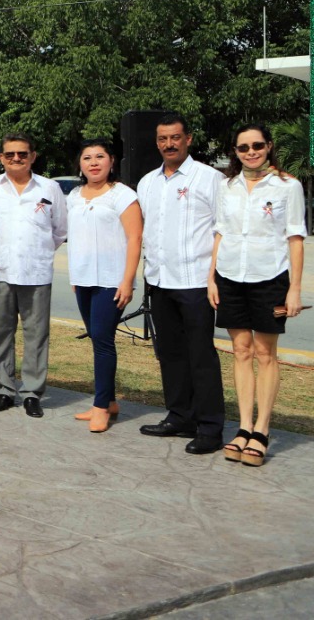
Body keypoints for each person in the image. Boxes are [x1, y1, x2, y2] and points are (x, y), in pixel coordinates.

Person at [209, 124, 306, 466]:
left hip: (271, 280)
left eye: (257, 145)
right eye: (243, 147)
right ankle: (244, 426)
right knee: (240, 350)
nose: (251, 152)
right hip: (230, 276)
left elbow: (295, 237)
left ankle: (262, 430)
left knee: (266, 353)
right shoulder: (228, 187)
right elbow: (220, 234)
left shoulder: (287, 186)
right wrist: (212, 279)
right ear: (235, 151)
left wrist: (294, 289)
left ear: (269, 146)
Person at [136, 113, 224, 454]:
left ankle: (210, 427)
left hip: (196, 282)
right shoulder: (147, 182)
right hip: (159, 280)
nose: (169, 144)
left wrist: (215, 277)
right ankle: (180, 416)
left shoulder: (209, 178)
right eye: (162, 139)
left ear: (188, 139)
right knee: (170, 354)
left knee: (201, 356)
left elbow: (222, 230)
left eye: (175, 137)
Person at [0, 132, 68, 418]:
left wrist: (39, 251)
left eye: (22, 154)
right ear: (1, 158)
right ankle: (5, 390)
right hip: (0, 270)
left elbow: (60, 231)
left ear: (33, 156)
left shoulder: (50, 187)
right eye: (10, 155)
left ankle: (32, 392)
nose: (16, 159)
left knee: (36, 335)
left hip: (36, 271)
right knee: (1, 334)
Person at [65, 140, 142, 433]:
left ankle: (100, 408)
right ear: (80, 164)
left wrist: (127, 280)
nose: (93, 163)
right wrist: (75, 277)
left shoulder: (122, 195)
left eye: (100, 157)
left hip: (111, 280)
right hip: (83, 279)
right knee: (97, 340)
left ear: (112, 161)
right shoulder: (74, 196)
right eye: (87, 158)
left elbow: (135, 238)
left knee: (103, 340)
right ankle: (108, 401)